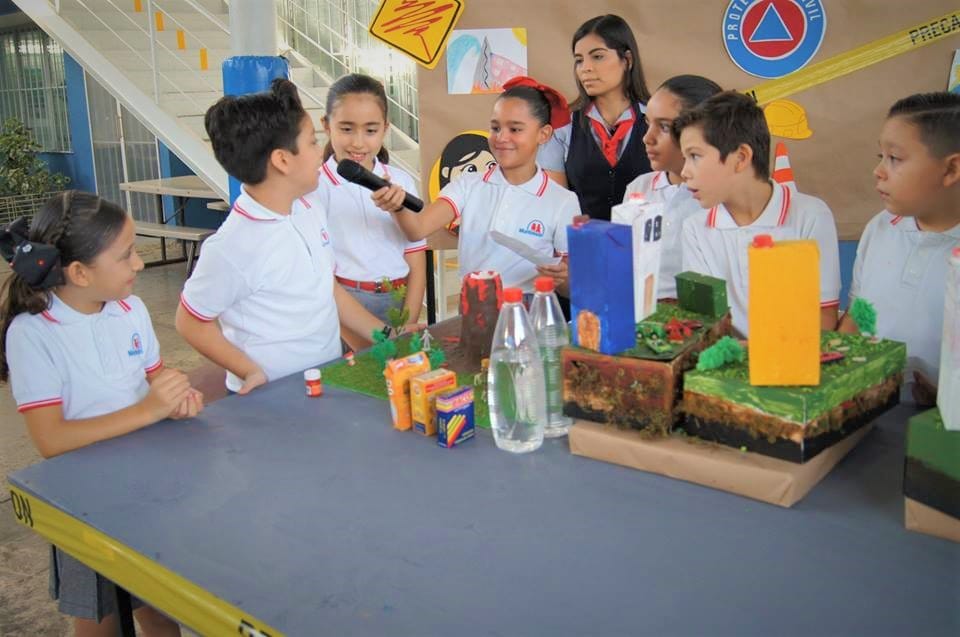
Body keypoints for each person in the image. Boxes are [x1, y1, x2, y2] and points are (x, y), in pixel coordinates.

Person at [0, 191, 198, 636]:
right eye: (126, 255)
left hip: (145, 487)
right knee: (99, 620)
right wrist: (149, 410)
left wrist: (174, 395)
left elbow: (152, 373)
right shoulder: (34, 335)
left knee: (160, 608)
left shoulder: (131, 310)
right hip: (85, 502)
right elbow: (51, 440)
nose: (139, 264)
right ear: (79, 273)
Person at [176, 79, 407, 394]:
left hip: (323, 378)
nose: (319, 152)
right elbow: (190, 321)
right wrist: (249, 370)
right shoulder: (232, 247)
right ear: (282, 160)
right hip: (270, 395)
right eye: (312, 142)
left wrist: (388, 335)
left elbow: (326, 288)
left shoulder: (308, 207)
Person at [372, 77, 580, 297]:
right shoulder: (468, 184)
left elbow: (570, 290)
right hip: (473, 306)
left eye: (515, 129)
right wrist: (397, 205)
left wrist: (562, 277)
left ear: (544, 134)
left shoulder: (562, 201)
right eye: (495, 127)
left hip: (529, 311)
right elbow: (417, 229)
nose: (501, 138)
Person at [675, 91, 841, 336]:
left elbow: (823, 316)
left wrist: (770, 356)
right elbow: (704, 320)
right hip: (726, 362)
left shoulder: (811, 216)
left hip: (794, 363)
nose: (685, 172)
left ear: (741, 158)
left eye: (695, 156)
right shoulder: (695, 228)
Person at [839, 92, 960, 405]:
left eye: (894, 158)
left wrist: (946, 398)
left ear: (951, 170)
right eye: (879, 157)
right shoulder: (880, 227)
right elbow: (857, 312)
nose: (878, 171)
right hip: (867, 410)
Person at [314, 73, 426, 343]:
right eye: (346, 128)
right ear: (326, 126)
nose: (358, 143)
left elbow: (416, 261)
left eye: (371, 130)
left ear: (385, 128)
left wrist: (405, 324)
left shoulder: (401, 181)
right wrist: (356, 336)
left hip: (398, 301)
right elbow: (319, 275)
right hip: (343, 308)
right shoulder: (315, 186)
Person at [538, 14, 652, 220]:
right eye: (579, 60)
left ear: (627, 60)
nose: (586, 68)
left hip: (648, 247)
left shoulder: (657, 121)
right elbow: (556, 206)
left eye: (597, 56)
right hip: (584, 246)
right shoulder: (562, 126)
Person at [621, 74, 723, 298]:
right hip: (643, 322)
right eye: (647, 124)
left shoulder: (723, 199)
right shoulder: (639, 189)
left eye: (664, 127)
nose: (647, 138)